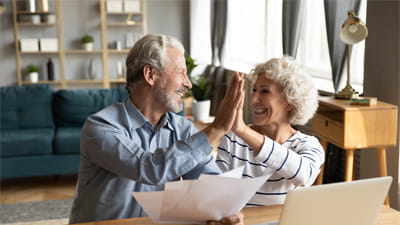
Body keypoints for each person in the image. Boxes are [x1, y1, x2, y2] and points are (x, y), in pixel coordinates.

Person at [69, 34, 245, 224]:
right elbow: (149, 169)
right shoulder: (101, 127)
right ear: (150, 75)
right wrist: (216, 129)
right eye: (181, 72)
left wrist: (226, 207)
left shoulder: (183, 130)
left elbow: (208, 180)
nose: (188, 83)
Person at [216, 57, 325, 206]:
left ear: (290, 101)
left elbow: (304, 176)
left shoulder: (307, 145)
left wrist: (242, 130)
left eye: (265, 91)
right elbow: (217, 193)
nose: (254, 99)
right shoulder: (233, 139)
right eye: (254, 90)